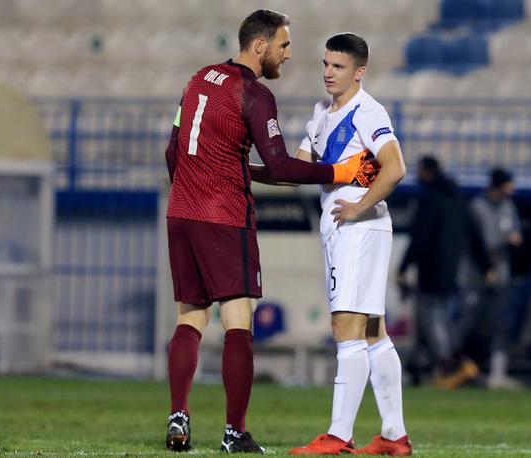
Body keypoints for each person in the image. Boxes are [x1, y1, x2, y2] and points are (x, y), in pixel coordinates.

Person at [163, 10, 376, 454]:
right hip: (225, 216)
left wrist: (191, 187)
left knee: (190, 317)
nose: (288, 54)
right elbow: (279, 166)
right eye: (283, 45)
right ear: (259, 46)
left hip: (181, 212)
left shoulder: (198, 79)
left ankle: (179, 415)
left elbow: (173, 150)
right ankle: (234, 432)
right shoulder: (253, 94)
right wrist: (341, 170)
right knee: (238, 322)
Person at [274, 33, 411, 456]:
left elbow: (396, 168)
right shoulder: (321, 112)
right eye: (326, 65)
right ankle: (394, 436)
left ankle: (338, 434)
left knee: (345, 326)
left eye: (338, 66)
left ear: (359, 71)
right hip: (347, 229)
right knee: (373, 331)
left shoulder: (368, 112)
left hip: (360, 228)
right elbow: (296, 170)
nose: (329, 73)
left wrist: (357, 208)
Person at [397, 156, 488, 387]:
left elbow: (420, 237)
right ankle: (438, 363)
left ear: (428, 172)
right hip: (455, 270)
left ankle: (448, 364)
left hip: (431, 269)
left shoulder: (430, 199)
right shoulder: (458, 198)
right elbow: (475, 233)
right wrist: (486, 265)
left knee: (431, 317)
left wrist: (404, 266)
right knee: (445, 318)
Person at [458, 167, 523, 390]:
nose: (512, 188)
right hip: (476, 272)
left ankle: (497, 373)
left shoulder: (508, 206)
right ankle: (459, 369)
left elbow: (515, 235)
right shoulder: (477, 206)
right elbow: (475, 243)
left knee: (500, 322)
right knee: (469, 322)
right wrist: (486, 266)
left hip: (500, 269)